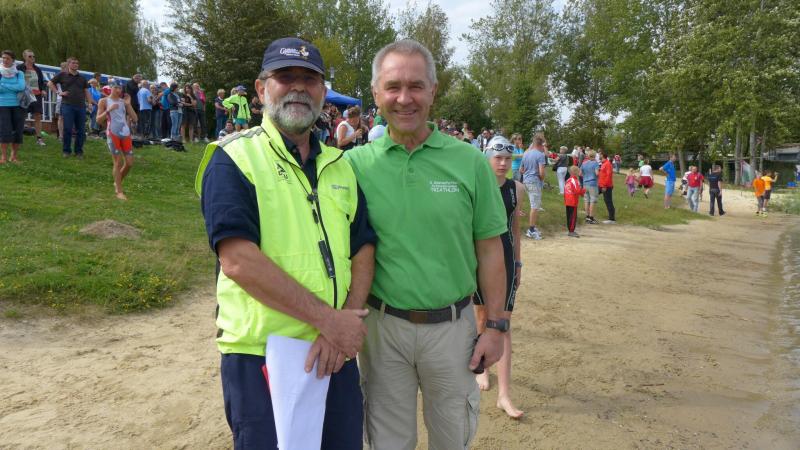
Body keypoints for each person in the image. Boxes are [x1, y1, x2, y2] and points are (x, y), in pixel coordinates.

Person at [196, 37, 375, 449]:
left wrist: (345, 321)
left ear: (323, 93)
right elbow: (237, 259)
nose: (298, 87)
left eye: (309, 79)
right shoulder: (233, 158)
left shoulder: (339, 165)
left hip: (333, 351)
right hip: (263, 356)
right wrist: (328, 320)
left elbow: (363, 246)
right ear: (261, 90)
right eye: (285, 77)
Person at [344, 39, 506, 450]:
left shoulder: (470, 162)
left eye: (416, 86)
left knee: (452, 439)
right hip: (382, 330)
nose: (405, 98)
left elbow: (491, 250)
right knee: (388, 442)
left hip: (453, 330)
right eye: (393, 87)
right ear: (376, 93)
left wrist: (496, 326)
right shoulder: (353, 166)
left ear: (433, 91)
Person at [473, 135, 525, 419]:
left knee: (503, 323)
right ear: (487, 158)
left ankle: (504, 394)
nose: (503, 164)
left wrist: (518, 263)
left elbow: (515, 229)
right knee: (482, 317)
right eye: (498, 158)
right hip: (478, 259)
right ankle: (483, 367)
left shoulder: (517, 189)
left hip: (504, 260)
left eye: (508, 159)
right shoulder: (476, 185)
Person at [96, 81, 137, 200]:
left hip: (125, 134)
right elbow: (98, 120)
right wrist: (108, 110)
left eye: (120, 88)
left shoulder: (123, 102)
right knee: (118, 162)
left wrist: (128, 105)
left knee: (129, 163)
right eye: (116, 87)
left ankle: (117, 182)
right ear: (110, 88)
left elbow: (135, 118)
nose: (119, 90)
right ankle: (119, 191)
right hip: (113, 133)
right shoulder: (104, 101)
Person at [48, 57, 93, 158]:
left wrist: (90, 103)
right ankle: (66, 151)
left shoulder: (82, 77)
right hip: (67, 105)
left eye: (77, 63)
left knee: (81, 130)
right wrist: (58, 92)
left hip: (81, 106)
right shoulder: (62, 75)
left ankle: (79, 152)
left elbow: (86, 91)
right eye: (73, 63)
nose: (76, 65)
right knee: (67, 129)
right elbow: (50, 83)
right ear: (68, 64)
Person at [0, 50, 26, 164]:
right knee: (4, 131)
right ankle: (3, 157)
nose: (5, 60)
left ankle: (14, 156)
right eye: (3, 58)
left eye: (8, 58)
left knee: (18, 131)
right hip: (2, 105)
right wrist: (13, 86)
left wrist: (4, 85)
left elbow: (21, 87)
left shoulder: (19, 73)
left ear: (13, 60)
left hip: (18, 105)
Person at [17, 49, 46, 146]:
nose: (32, 58)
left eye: (33, 56)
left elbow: (42, 82)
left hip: (36, 95)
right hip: (24, 94)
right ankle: (18, 137)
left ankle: (39, 138)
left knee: (38, 115)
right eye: (30, 56)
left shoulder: (37, 69)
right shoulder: (19, 68)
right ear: (24, 57)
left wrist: (43, 90)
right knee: (21, 116)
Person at [521, 136, 547, 239]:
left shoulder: (526, 153)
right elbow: (541, 172)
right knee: (535, 206)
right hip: (534, 181)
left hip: (526, 181)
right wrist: (541, 178)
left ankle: (533, 228)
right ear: (541, 144)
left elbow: (521, 170)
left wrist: (528, 172)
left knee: (534, 205)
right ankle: (531, 230)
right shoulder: (540, 155)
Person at [564, 165, 586, 237]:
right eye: (579, 171)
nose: (580, 172)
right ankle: (571, 231)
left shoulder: (568, 180)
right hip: (573, 201)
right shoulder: (575, 180)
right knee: (573, 217)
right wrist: (583, 191)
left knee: (569, 216)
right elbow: (577, 190)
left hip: (567, 200)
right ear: (575, 172)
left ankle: (570, 230)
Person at [581, 149, 600, 224]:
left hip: (585, 183)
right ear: (594, 155)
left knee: (586, 200)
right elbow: (597, 173)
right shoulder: (595, 163)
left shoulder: (584, 163)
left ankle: (587, 216)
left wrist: (586, 176)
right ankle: (591, 217)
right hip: (593, 183)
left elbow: (580, 173)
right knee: (593, 200)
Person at [598, 151, 616, 224]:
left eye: (600, 154)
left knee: (608, 201)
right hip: (600, 185)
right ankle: (589, 213)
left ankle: (612, 219)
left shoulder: (607, 164)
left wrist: (604, 186)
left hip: (606, 186)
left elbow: (608, 176)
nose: (598, 155)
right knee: (592, 195)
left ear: (603, 155)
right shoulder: (603, 163)